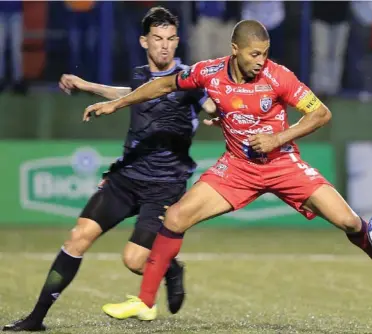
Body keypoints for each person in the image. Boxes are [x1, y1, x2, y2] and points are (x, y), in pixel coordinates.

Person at [82, 19, 372, 321]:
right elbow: (165, 84)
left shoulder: (279, 76)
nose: (261, 61)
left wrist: (279, 137)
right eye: (255, 54)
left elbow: (321, 114)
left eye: (265, 53)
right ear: (235, 50)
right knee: (174, 218)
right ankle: (145, 302)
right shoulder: (208, 72)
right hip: (237, 169)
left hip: (283, 165)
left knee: (348, 221)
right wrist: (116, 103)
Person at [3, 7, 216, 332]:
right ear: (144, 41)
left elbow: (213, 103)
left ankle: (170, 268)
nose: (165, 46)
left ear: (177, 41)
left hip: (164, 186)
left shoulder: (188, 79)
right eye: (158, 39)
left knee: (134, 261)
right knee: (78, 237)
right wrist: (86, 85)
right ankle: (36, 319)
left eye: (171, 39)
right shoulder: (138, 74)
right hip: (125, 177)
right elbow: (130, 95)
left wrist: (221, 113)